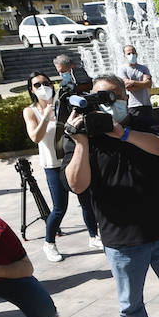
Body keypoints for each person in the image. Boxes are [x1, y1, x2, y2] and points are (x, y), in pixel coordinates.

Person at [65, 74, 159, 317]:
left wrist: (122, 133)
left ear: (123, 97)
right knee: (130, 301)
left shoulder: (142, 120)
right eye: (97, 98)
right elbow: (76, 185)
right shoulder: (84, 135)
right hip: (120, 238)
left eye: (110, 97)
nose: (104, 104)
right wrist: (80, 142)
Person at [22, 71, 101, 263]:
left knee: (86, 201)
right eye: (37, 85)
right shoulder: (30, 111)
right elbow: (35, 138)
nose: (43, 88)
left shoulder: (63, 105)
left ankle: (93, 236)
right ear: (31, 90)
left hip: (72, 159)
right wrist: (45, 117)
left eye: (45, 83)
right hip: (52, 165)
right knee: (59, 207)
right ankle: (49, 243)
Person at [119, 44, 154, 121]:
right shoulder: (123, 69)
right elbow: (128, 87)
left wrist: (132, 82)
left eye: (133, 53)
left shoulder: (144, 68)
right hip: (133, 106)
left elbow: (149, 84)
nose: (132, 55)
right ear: (124, 55)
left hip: (147, 104)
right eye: (129, 53)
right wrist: (143, 84)